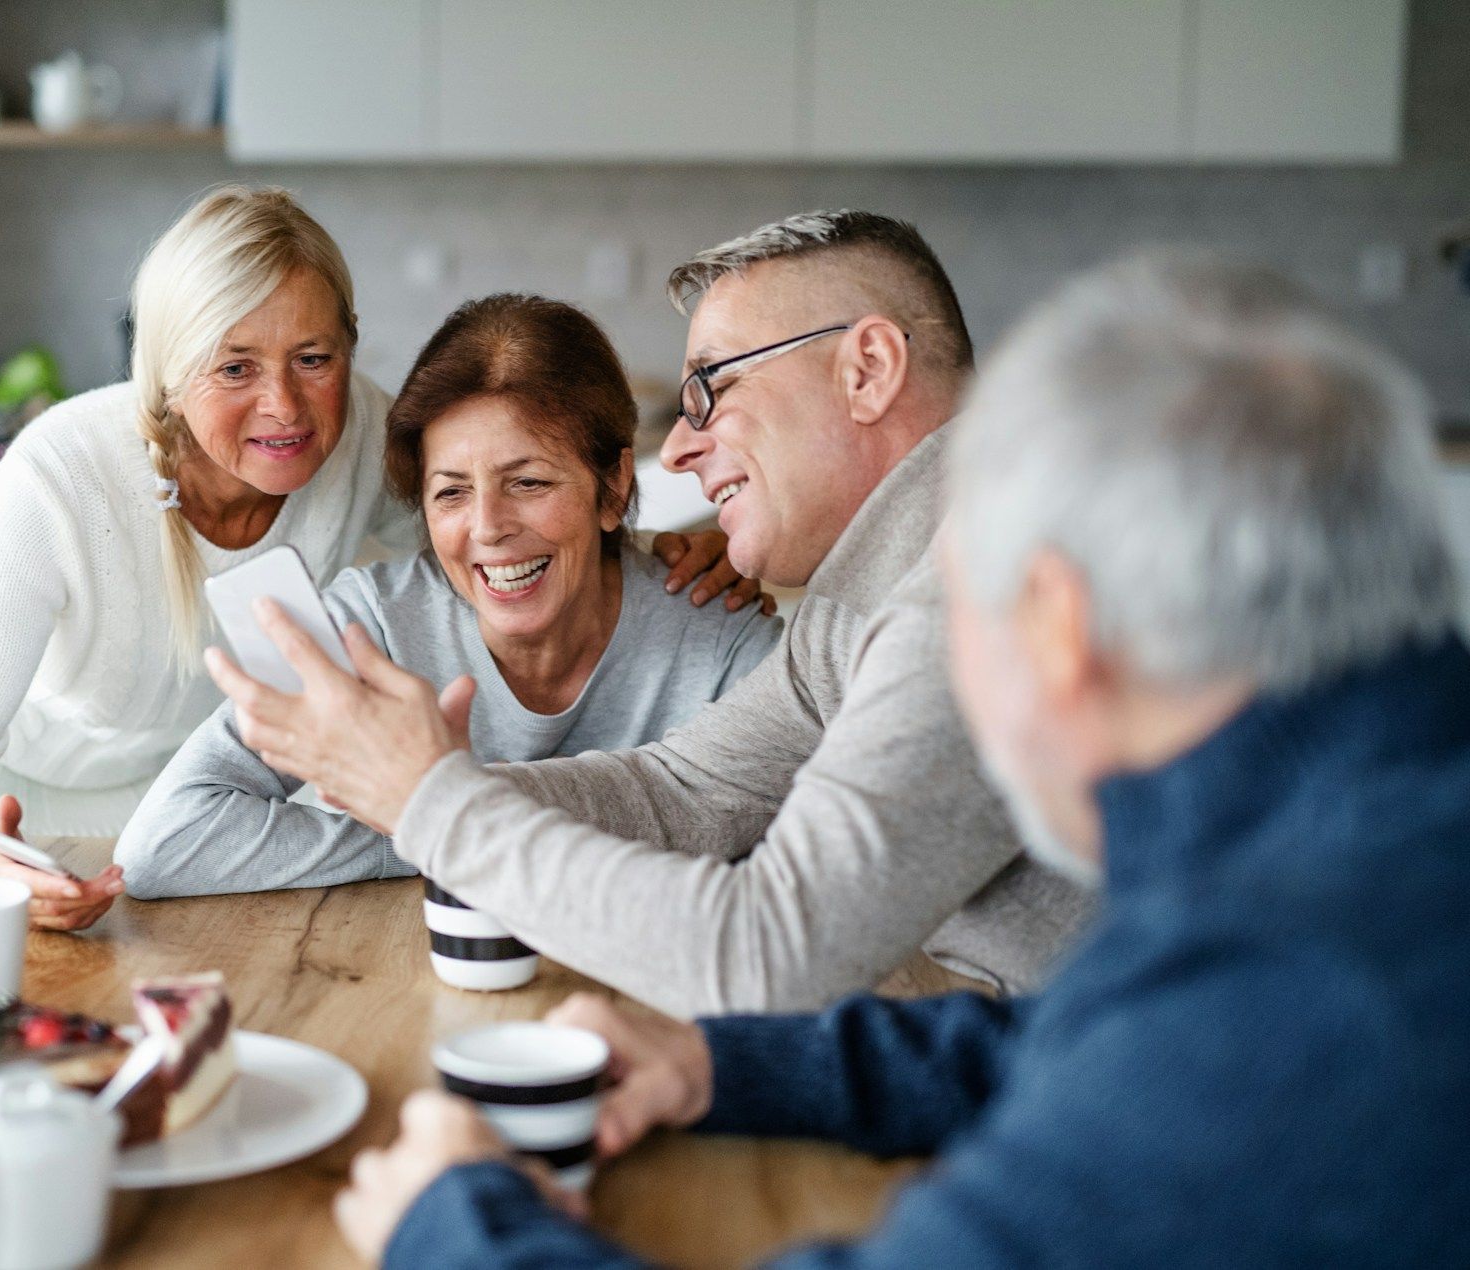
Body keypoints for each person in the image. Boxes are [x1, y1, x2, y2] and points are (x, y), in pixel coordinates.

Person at [332, 253, 1470, 1267]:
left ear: (1057, 624)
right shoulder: (1346, 847)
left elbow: (1168, 1050)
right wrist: (730, 1069)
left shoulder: (1310, 1000)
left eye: (965, 606)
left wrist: (456, 1224)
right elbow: (1077, 1028)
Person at [206, 210, 1093, 1012]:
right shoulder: (853, 609)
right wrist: (406, 785)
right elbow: (677, 793)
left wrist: (431, 800)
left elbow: (769, 951)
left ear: (867, 370)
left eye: (711, 385)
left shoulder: (984, 594)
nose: (680, 442)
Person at [0, 185, 747, 931]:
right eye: (234, 367)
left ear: (349, 349)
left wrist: (672, 544)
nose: (284, 406)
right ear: (165, 372)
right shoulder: (60, 479)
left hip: (169, 774)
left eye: (312, 357)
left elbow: (497, 523)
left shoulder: (357, 435)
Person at [115, 295, 782, 895]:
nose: (488, 528)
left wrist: (434, 810)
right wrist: (428, 829)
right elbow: (166, 841)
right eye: (451, 492)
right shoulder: (369, 629)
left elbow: (805, 857)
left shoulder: (719, 636)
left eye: (529, 482)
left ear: (611, 487)